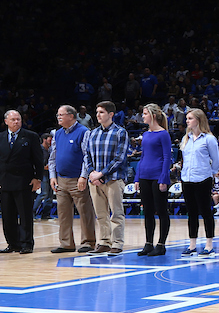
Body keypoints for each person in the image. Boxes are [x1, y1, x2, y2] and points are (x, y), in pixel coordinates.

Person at [0, 110, 45, 254]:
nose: (16, 122)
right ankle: (13, 244)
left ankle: (27, 244)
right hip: (4, 182)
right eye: (13, 119)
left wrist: (37, 178)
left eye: (18, 119)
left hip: (24, 182)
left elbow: (38, 160)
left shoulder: (31, 136)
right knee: (7, 216)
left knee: (25, 215)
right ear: (6, 121)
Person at [80, 101, 129, 254]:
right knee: (101, 214)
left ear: (111, 114)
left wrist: (101, 173)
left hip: (113, 179)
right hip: (94, 181)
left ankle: (117, 243)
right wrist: (92, 174)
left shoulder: (120, 132)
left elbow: (120, 158)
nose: (98, 115)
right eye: (97, 112)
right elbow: (86, 155)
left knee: (116, 213)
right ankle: (104, 242)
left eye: (101, 112)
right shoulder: (92, 133)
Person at [48, 105, 96, 254]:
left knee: (85, 211)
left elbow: (87, 156)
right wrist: (52, 176)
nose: (59, 117)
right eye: (58, 115)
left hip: (78, 179)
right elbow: (52, 157)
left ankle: (88, 241)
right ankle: (66, 243)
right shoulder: (57, 133)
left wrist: (83, 176)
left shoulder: (84, 132)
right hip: (61, 179)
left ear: (71, 116)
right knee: (62, 213)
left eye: (61, 115)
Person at [179, 108, 219, 258]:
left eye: (190, 118)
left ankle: (209, 244)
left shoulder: (209, 139)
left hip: (203, 179)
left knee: (206, 212)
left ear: (198, 120)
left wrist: (211, 173)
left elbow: (215, 160)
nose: (187, 121)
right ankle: (192, 244)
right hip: (187, 179)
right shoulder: (186, 138)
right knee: (191, 213)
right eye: (187, 118)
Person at [136, 103, 173, 256]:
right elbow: (143, 156)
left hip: (157, 176)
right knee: (148, 211)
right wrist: (137, 177)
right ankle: (148, 242)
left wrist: (163, 178)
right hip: (144, 175)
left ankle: (161, 243)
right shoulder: (145, 134)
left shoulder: (163, 134)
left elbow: (167, 157)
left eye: (144, 113)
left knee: (161, 210)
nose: (142, 116)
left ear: (152, 115)